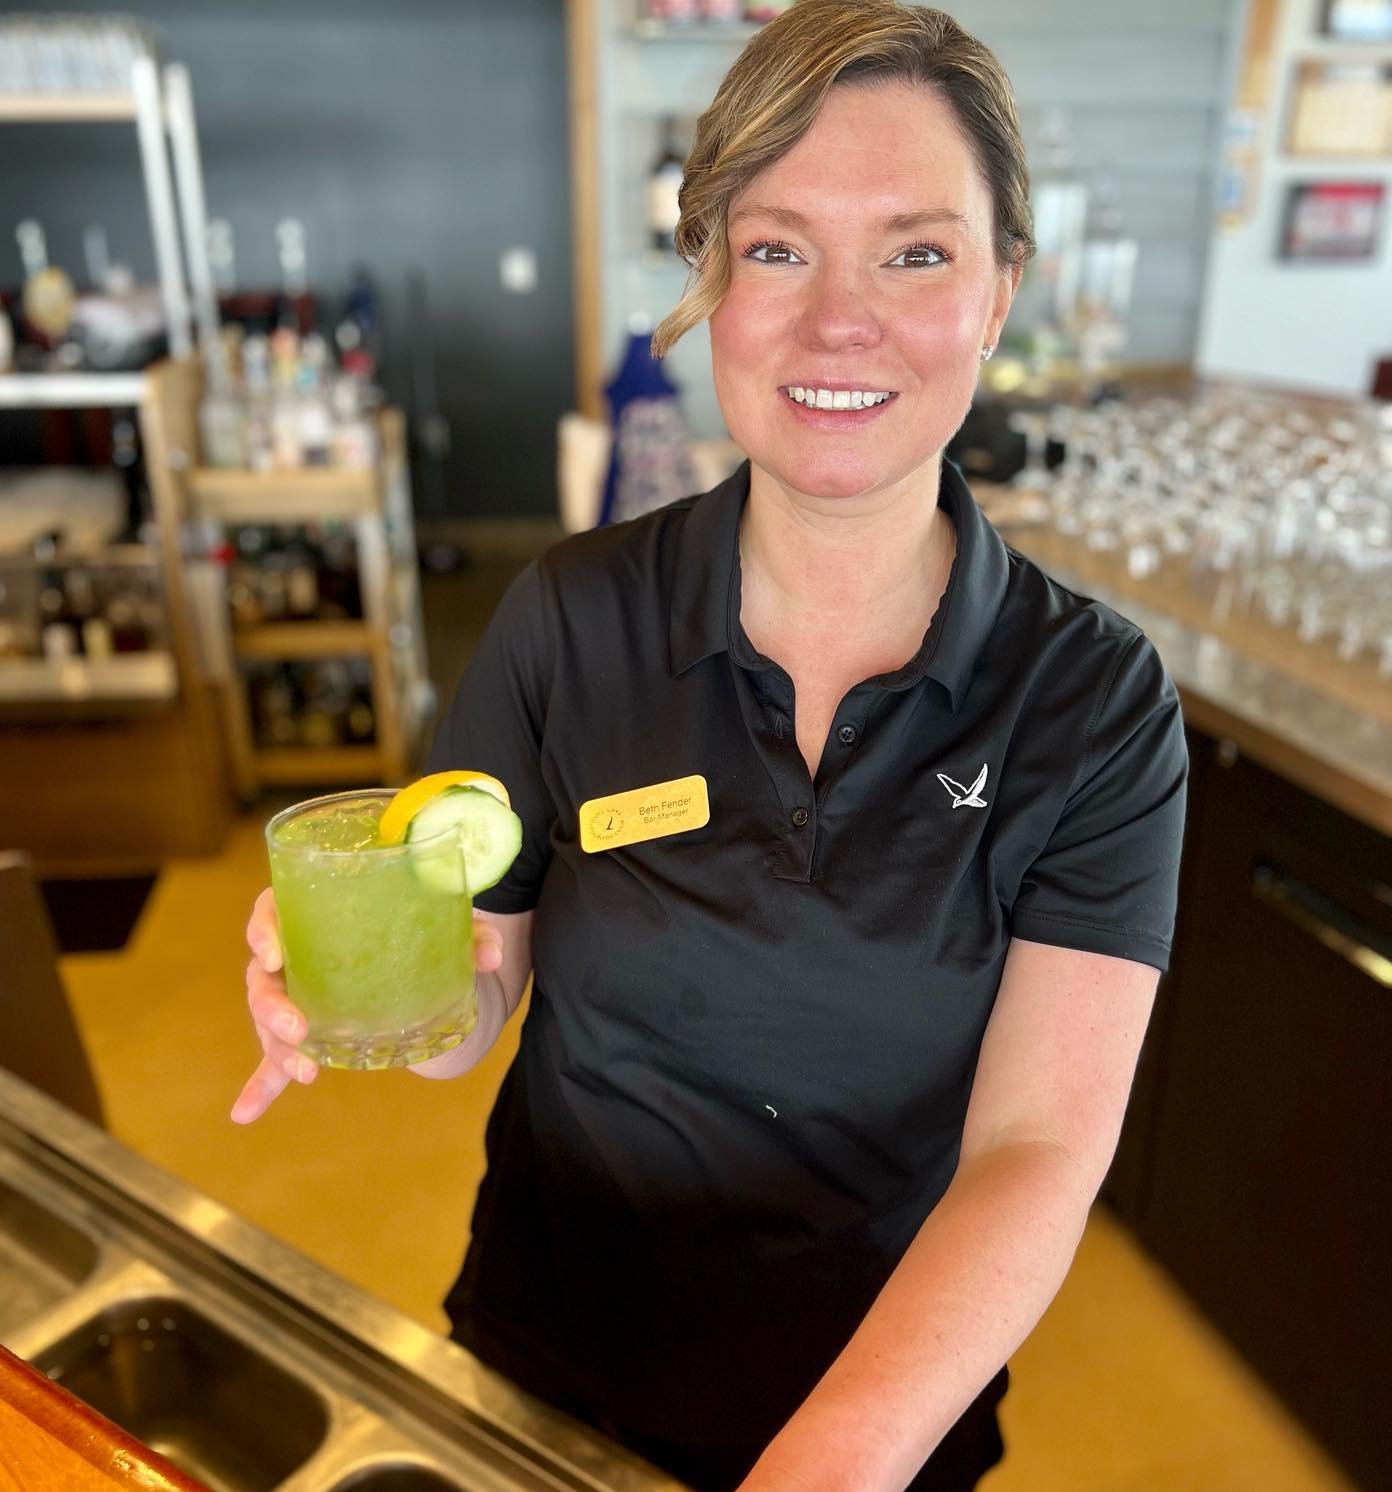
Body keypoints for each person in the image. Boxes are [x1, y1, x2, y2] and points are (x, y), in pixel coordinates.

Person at [233, 3, 1188, 1488]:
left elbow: (1037, 1151)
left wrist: (828, 1467)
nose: (839, 322)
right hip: (545, 1377)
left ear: (1002, 291)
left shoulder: (1095, 704)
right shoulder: (569, 618)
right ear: (711, 284)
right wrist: (371, 980)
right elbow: (475, 1001)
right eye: (777, 246)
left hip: (882, 1418)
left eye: (918, 251)